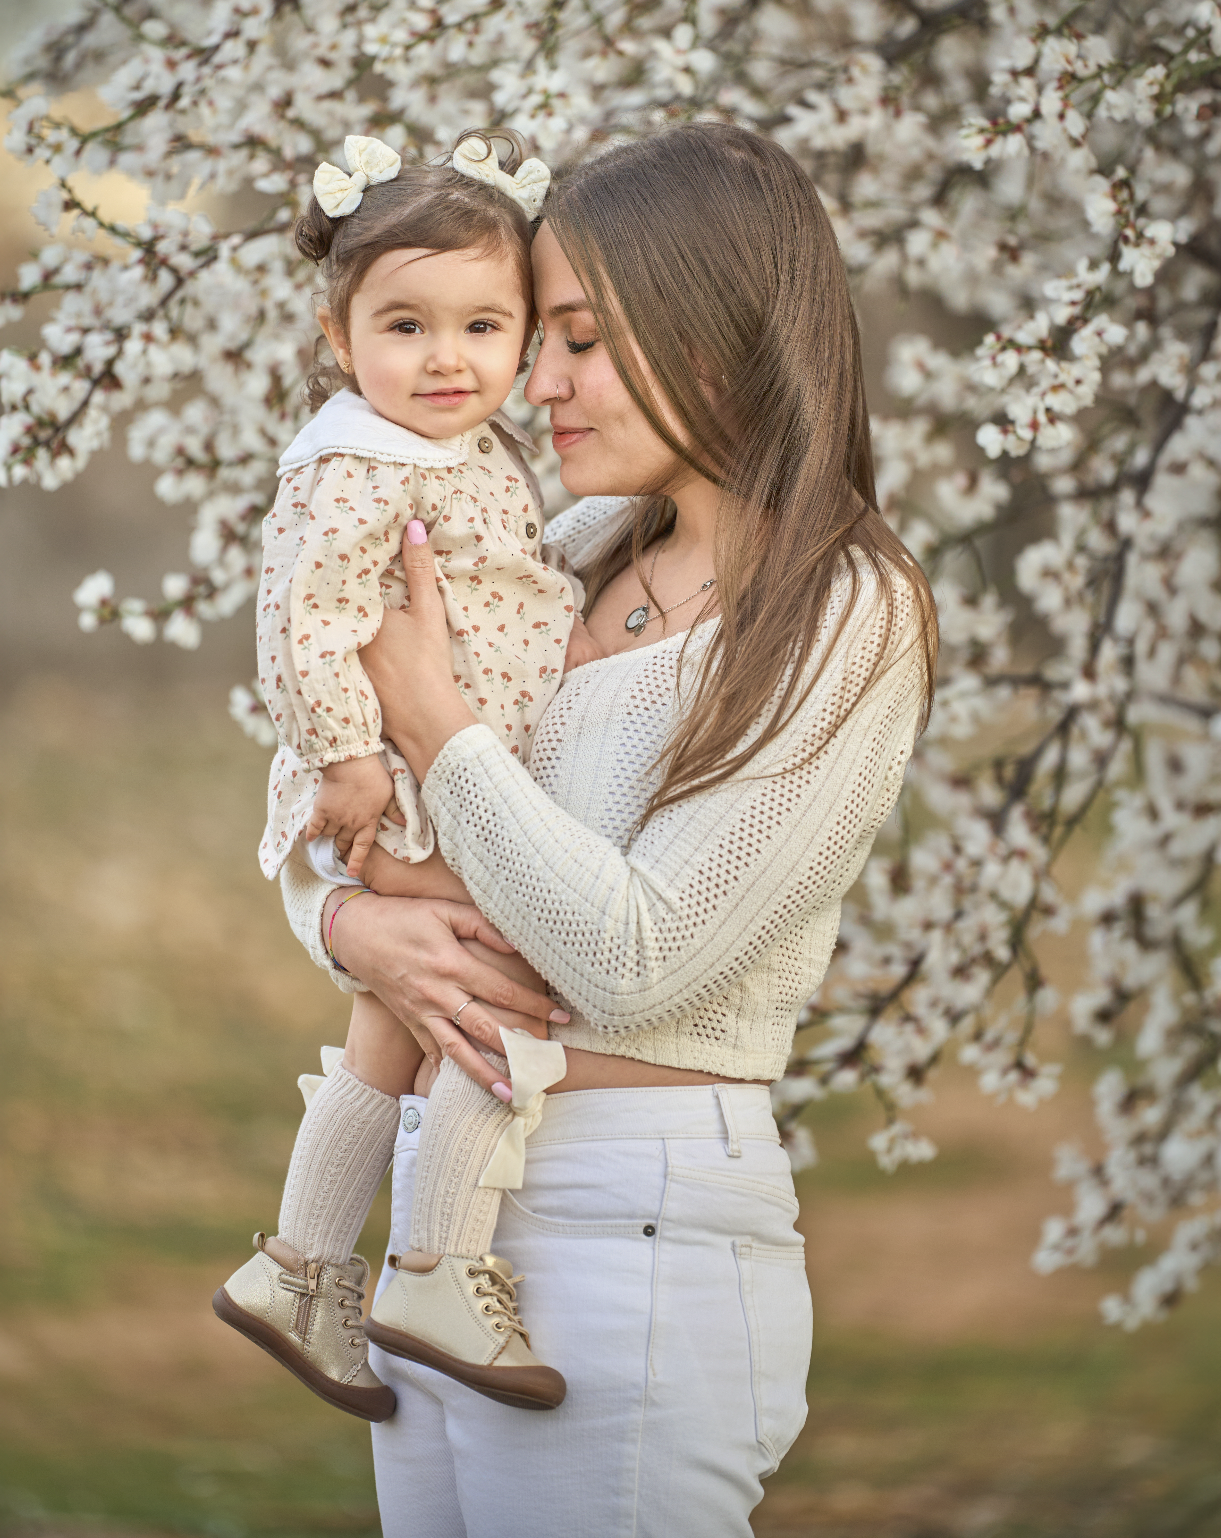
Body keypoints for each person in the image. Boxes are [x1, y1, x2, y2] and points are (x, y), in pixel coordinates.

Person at [278, 121, 940, 1537]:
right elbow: (330, 790)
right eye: (546, 338)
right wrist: (347, 924)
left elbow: (642, 955)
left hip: (633, 1222)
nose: (540, 382)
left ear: (713, 328)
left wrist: (445, 728)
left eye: (580, 339)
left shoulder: (843, 610)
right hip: (437, 1212)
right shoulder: (569, 551)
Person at [213, 129, 602, 1422]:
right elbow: (305, 616)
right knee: (502, 996)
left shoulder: (456, 452)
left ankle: (299, 1265)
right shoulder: (354, 465)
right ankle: (437, 1265)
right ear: (340, 335)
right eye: (407, 326)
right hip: (400, 781)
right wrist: (346, 763)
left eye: (485, 326)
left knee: (389, 1031)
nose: (449, 359)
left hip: (432, 772)